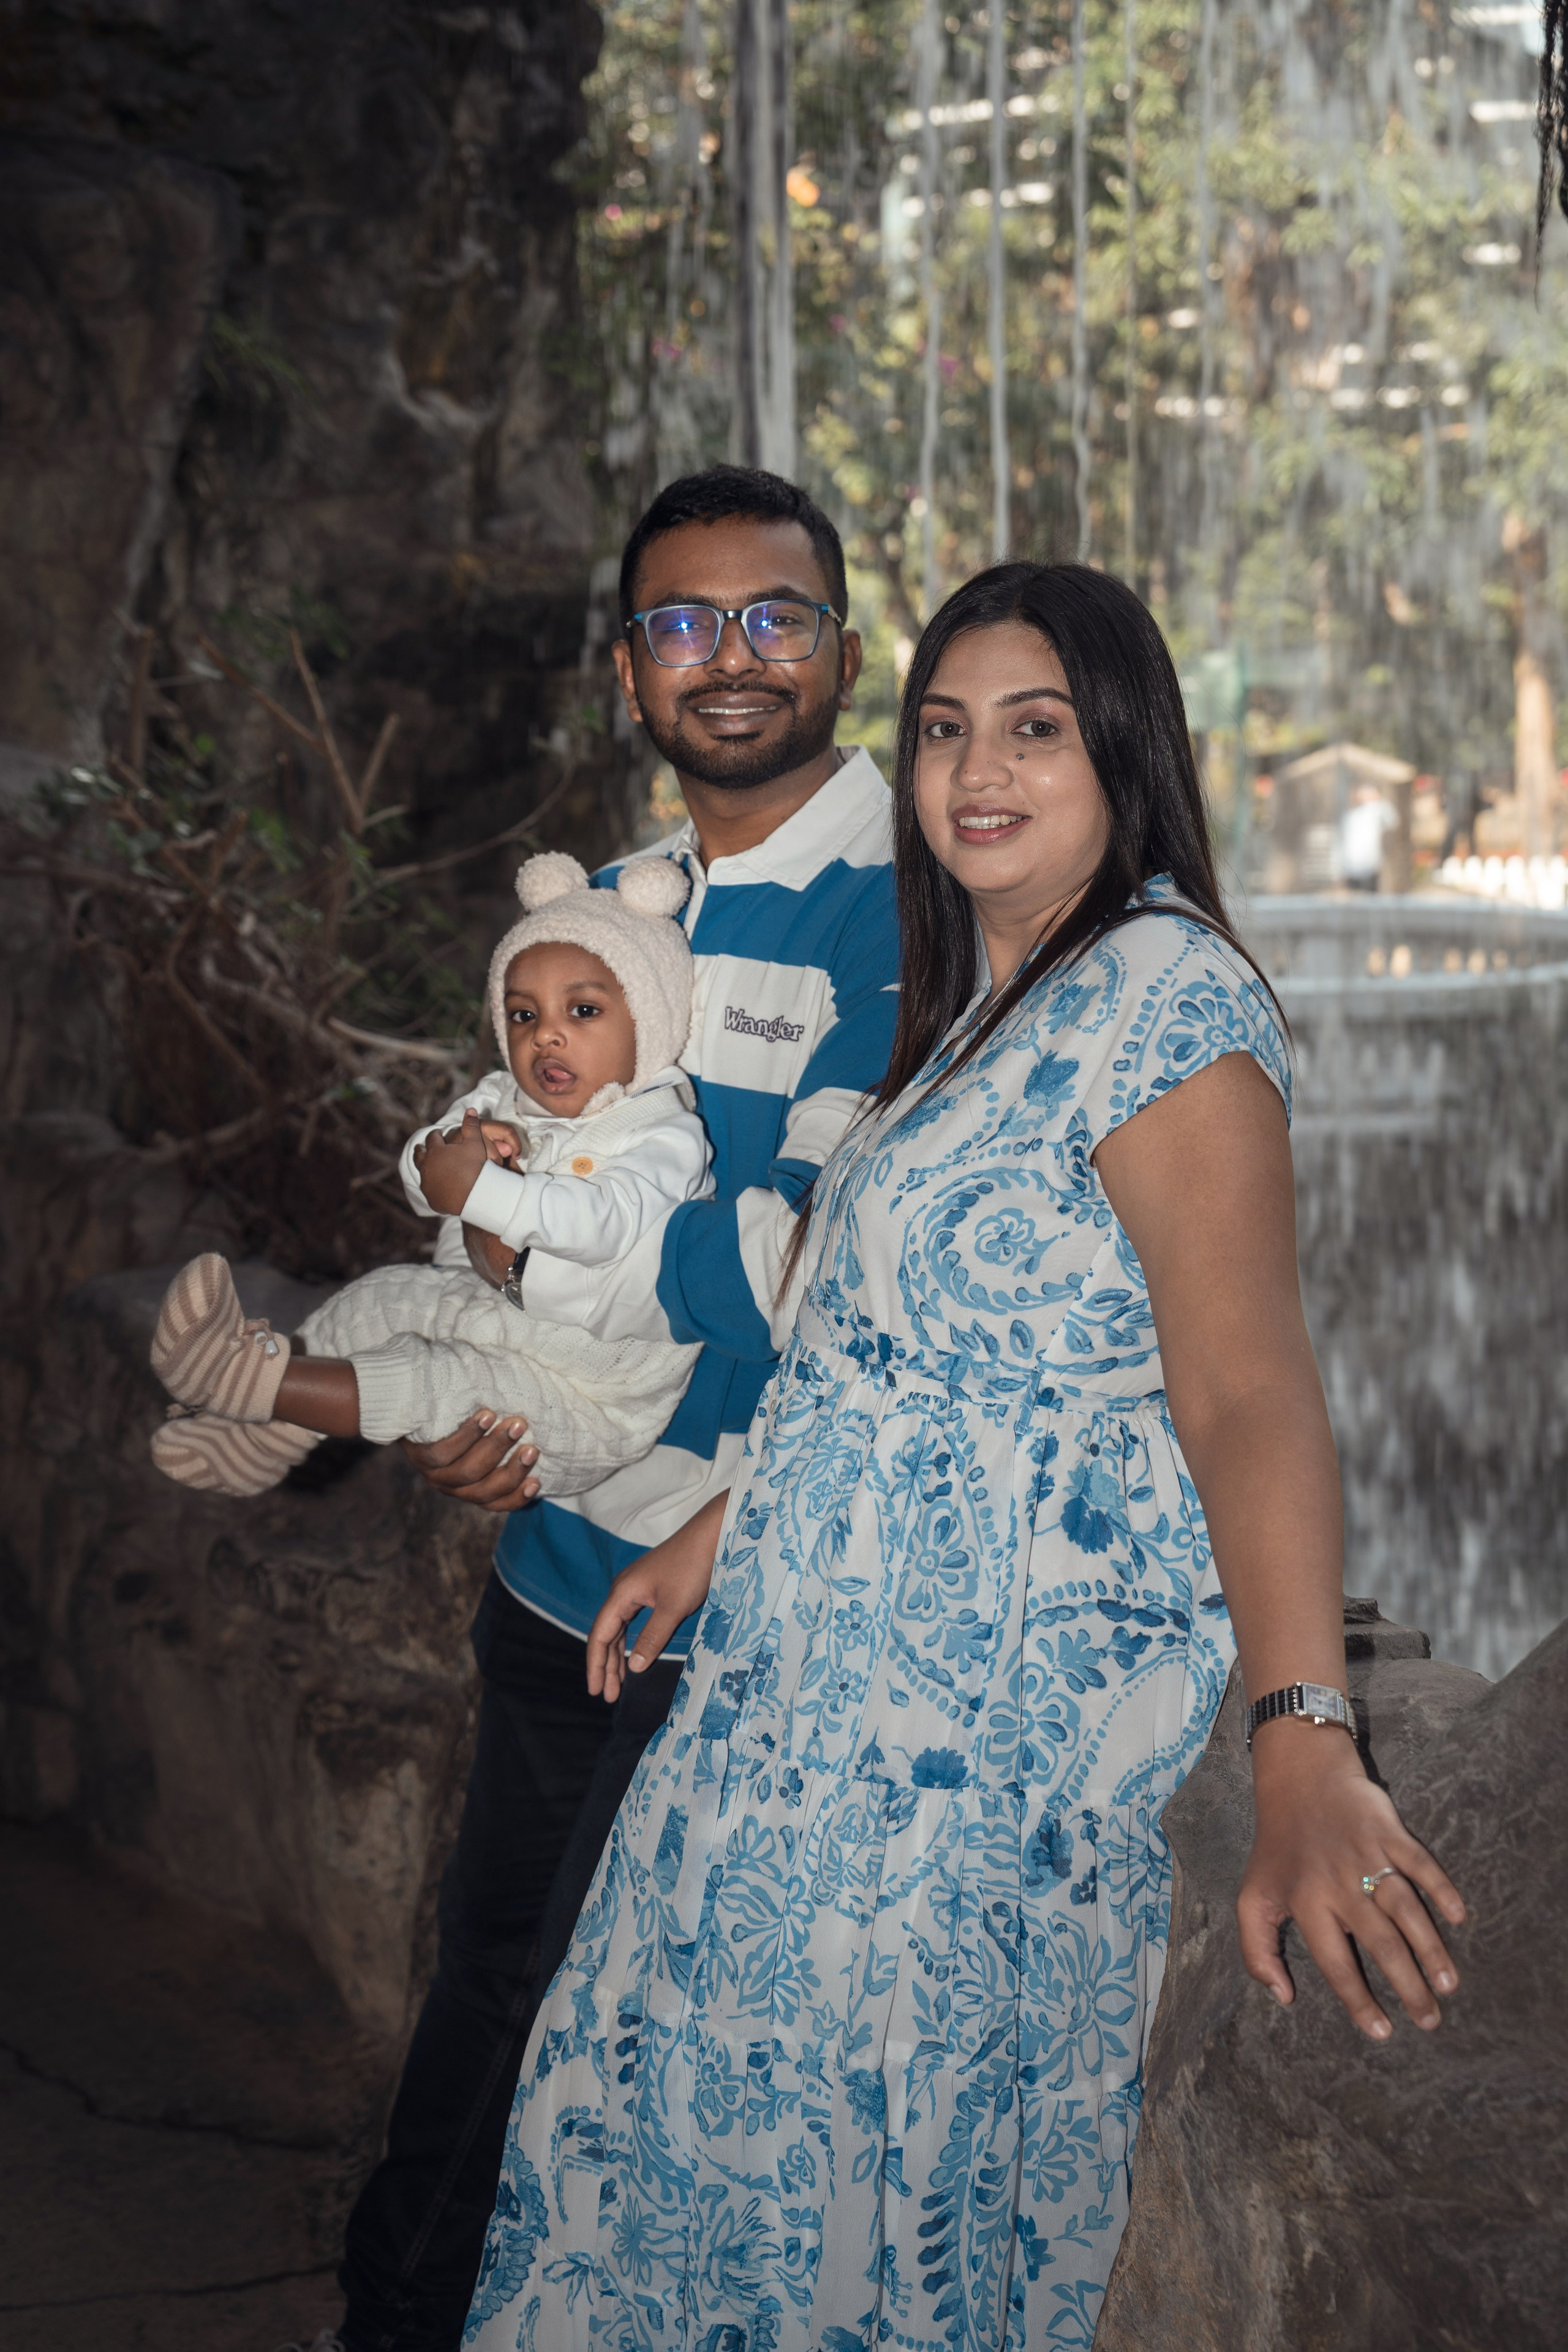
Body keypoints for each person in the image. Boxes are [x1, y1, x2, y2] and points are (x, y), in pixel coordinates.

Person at [464, 562, 1468, 2351]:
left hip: (960, 1790)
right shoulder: (979, 1009)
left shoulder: (1160, 1001)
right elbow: (902, 1357)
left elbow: (1244, 1391)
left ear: (1122, 751)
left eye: (1032, 727)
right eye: (941, 729)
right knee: (694, 2205)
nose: (974, 769)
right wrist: (725, 1526)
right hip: (794, 1737)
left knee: (862, 2238)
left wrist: (1303, 1731)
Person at [334, 467, 900, 2351]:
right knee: (493, 1979)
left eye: (774, 615)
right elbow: (494, 1166)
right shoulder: (616, 907)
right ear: (627, 666)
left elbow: (816, 1271)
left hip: (747, 1598)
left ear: (842, 647)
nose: (730, 656)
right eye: (682, 621)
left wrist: (548, 1246)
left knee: (673, 2054)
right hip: (558, 1556)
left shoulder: (908, 913)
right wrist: (487, 1374)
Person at [146, 853, 709, 1497]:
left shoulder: (663, 1134)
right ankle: (260, 1441)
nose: (546, 1036)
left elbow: (603, 1227)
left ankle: (239, 1378)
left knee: (427, 1378)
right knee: (376, 1299)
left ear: (650, 1019)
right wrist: (444, 1157)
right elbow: (421, 1179)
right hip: (488, 1315)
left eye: (582, 1011)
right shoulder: (500, 1098)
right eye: (523, 1015)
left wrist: (486, 1190)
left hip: (587, 1396)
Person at [1338, 776, 1398, 891]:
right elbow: (1343, 843)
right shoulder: (1349, 816)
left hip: (1370, 867)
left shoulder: (1376, 810)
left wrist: (1379, 800)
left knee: (1370, 898)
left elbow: (1393, 821)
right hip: (1351, 867)